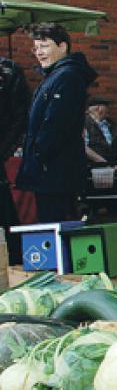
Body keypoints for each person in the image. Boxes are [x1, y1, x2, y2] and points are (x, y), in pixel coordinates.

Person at [16, 23, 98, 222]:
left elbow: (56, 123)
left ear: (62, 46)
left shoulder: (67, 76)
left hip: (55, 172)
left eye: (44, 46)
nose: (39, 52)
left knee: (57, 226)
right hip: (50, 171)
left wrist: (38, 154)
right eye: (36, 48)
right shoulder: (55, 75)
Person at [1, 56, 29, 256]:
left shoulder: (8, 71)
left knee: (5, 212)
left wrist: (2, 150)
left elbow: (20, 117)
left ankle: (14, 258)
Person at [83, 96, 117, 169]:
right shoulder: (85, 124)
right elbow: (84, 148)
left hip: (114, 166)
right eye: (106, 106)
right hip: (94, 167)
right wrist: (104, 163)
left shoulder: (110, 122)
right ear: (99, 108)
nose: (108, 110)